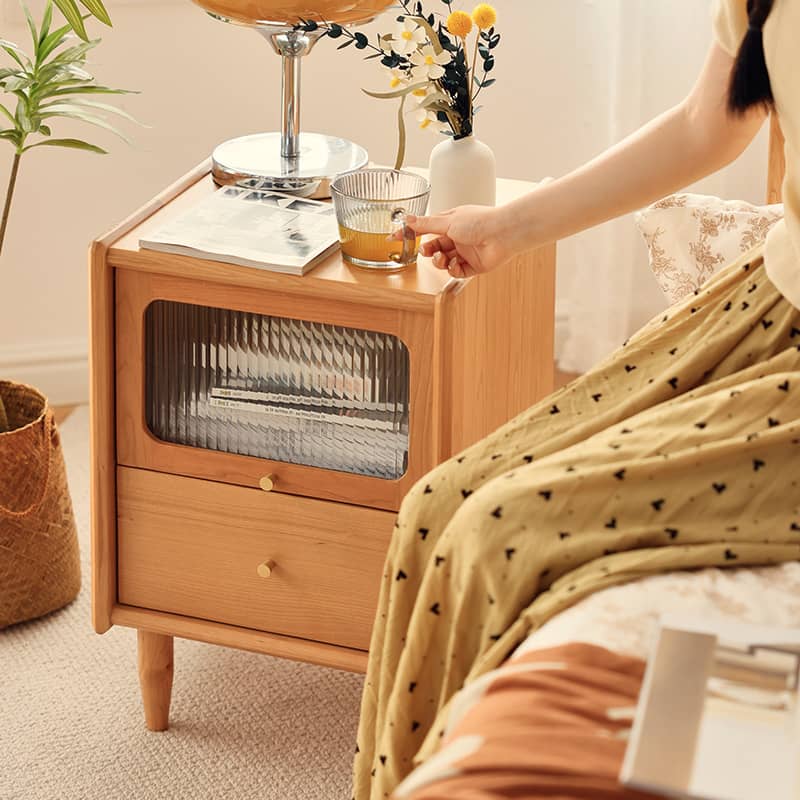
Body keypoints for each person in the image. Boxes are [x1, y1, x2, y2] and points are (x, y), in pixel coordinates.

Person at [354, 1, 800, 798]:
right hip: (772, 311)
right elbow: (710, 122)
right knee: (437, 504)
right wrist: (509, 227)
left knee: (502, 530)